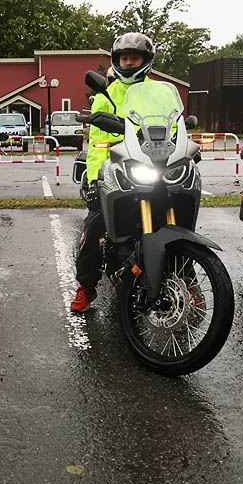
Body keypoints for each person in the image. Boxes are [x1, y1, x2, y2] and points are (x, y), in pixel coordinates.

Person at [71, 32, 182, 312]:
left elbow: (175, 127)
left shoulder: (160, 92)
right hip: (116, 170)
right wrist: (95, 178)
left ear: (147, 60)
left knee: (175, 218)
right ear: (116, 61)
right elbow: (97, 144)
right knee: (94, 226)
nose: (129, 63)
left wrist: (184, 150)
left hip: (154, 165)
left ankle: (186, 278)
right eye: (124, 58)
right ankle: (86, 286)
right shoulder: (106, 95)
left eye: (134, 58)